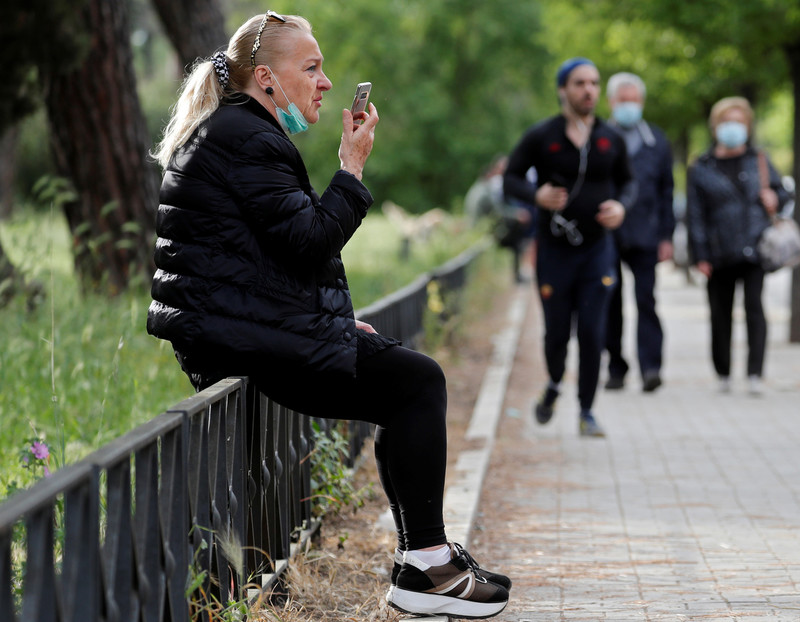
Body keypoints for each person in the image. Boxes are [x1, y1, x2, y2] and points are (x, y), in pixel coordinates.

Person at [145, 12, 509, 619]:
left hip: (237, 329)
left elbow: (270, 259)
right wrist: (352, 167)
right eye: (311, 68)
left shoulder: (238, 130)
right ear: (266, 78)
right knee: (418, 383)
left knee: (405, 381)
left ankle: (425, 558)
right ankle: (426, 564)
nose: (327, 83)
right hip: (237, 339)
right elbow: (312, 240)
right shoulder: (247, 136)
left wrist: (337, 324)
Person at [503, 57, 629, 437]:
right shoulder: (543, 136)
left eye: (594, 83)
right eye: (580, 83)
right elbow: (510, 178)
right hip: (555, 251)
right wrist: (535, 194)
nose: (588, 90)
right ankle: (555, 383)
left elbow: (630, 183)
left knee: (592, 331)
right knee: (558, 333)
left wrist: (622, 207)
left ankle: (587, 411)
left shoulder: (611, 138)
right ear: (563, 90)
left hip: (597, 250)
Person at [686, 96, 790, 397]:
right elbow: (695, 215)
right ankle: (723, 373)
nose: (733, 128)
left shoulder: (758, 159)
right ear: (716, 126)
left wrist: (777, 199)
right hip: (718, 250)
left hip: (754, 246)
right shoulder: (702, 166)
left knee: (755, 310)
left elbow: (782, 192)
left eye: (739, 122)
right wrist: (700, 254)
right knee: (720, 313)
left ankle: (755, 373)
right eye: (727, 121)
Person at [601, 72, 675, 393]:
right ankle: (616, 366)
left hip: (646, 235)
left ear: (641, 102)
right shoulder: (599, 138)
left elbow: (667, 192)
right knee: (610, 301)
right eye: (622, 100)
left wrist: (666, 237)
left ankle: (651, 367)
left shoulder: (657, 141)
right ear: (611, 102)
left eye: (633, 100)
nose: (628, 106)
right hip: (607, 235)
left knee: (646, 300)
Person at [464, 154, 532, 282]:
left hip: (478, 228)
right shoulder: (486, 191)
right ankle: (516, 276)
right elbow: (499, 212)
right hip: (484, 232)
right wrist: (517, 215)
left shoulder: (479, 188)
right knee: (516, 239)